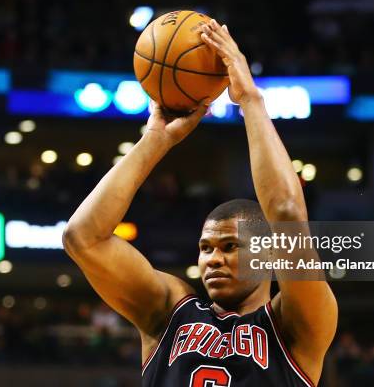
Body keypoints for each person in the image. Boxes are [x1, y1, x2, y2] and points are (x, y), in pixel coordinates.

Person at [63, 19, 337, 386]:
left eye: (229, 246)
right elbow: (82, 238)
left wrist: (250, 100)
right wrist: (155, 140)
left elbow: (287, 212)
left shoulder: (296, 326)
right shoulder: (171, 312)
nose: (212, 259)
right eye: (205, 248)